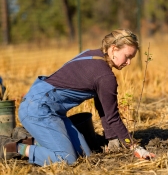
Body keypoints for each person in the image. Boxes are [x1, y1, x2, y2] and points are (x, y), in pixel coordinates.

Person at [0, 29, 155, 166]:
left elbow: (102, 106)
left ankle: (35, 140)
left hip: (48, 108)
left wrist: (112, 137)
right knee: (66, 159)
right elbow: (113, 117)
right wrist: (134, 147)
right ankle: (13, 147)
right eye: (127, 56)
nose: (128, 63)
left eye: (132, 58)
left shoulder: (92, 54)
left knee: (84, 155)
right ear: (114, 49)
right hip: (38, 109)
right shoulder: (106, 77)